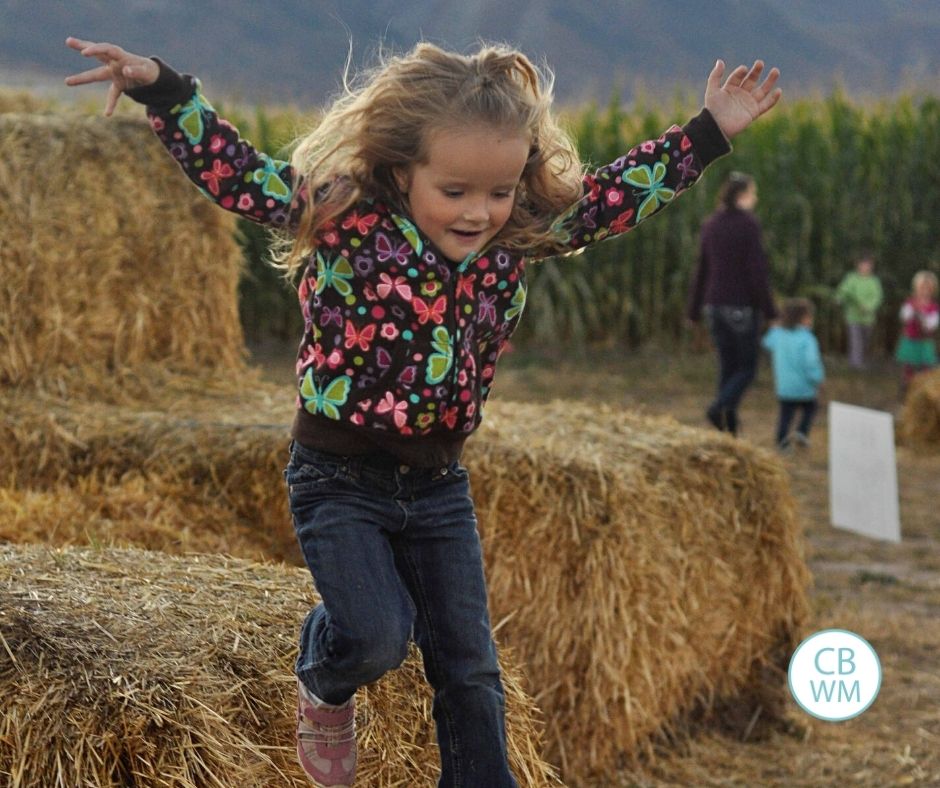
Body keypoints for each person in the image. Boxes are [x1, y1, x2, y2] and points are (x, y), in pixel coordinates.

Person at [65, 35, 781, 787]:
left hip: (438, 489)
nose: (480, 212)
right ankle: (322, 677)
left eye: (500, 192)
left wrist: (707, 132)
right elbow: (242, 179)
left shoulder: (515, 237)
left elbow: (610, 197)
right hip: (337, 477)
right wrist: (169, 94)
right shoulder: (345, 216)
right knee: (377, 639)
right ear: (403, 171)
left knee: (471, 669)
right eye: (457, 191)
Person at [686, 171, 778, 436]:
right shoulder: (748, 225)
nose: (755, 198)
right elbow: (756, 272)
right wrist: (771, 311)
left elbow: (701, 269)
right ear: (741, 196)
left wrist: (693, 311)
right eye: (753, 193)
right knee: (747, 369)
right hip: (741, 307)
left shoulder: (711, 224)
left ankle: (729, 431)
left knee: (728, 368)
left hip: (713, 306)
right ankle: (719, 408)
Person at [761, 298, 825, 450]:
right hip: (805, 387)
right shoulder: (807, 339)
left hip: (784, 386)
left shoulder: (778, 335)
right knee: (810, 409)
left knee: (785, 416)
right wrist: (818, 379)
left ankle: (782, 442)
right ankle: (802, 433)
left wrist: (774, 328)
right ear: (803, 319)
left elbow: (766, 342)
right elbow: (811, 362)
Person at [835, 252, 883, 370]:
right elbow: (842, 292)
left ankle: (860, 360)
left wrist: (868, 307)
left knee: (865, 340)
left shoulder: (874, 281)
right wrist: (840, 298)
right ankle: (855, 364)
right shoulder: (851, 278)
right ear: (858, 265)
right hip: (852, 316)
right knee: (855, 340)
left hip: (868, 317)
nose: (866, 267)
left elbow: (878, 297)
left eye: (868, 265)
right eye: (863, 264)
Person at [895, 270, 939, 394]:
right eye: (922, 288)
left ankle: (923, 389)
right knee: (909, 365)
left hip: (925, 342)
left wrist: (923, 318)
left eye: (928, 288)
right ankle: (906, 387)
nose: (924, 291)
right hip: (911, 339)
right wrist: (913, 311)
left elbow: (932, 325)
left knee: (926, 367)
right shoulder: (910, 302)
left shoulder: (933, 307)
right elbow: (904, 317)